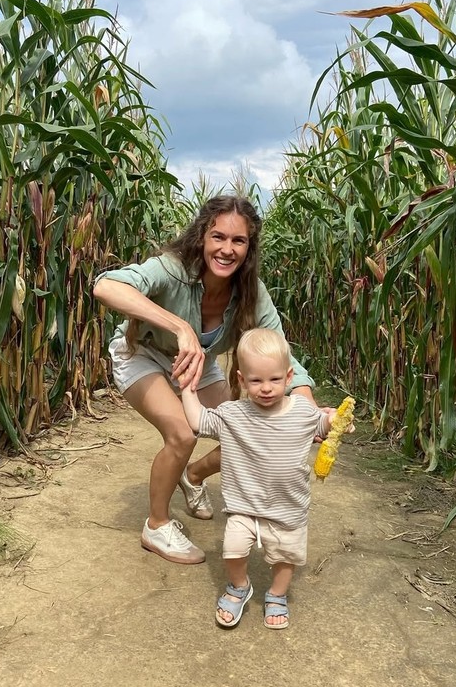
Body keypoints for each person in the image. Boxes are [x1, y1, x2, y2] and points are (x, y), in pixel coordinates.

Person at [92, 195, 319, 565]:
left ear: (249, 247)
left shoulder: (251, 293)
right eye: (218, 237)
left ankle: (193, 476)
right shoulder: (171, 268)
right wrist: (179, 325)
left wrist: (307, 408)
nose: (227, 249)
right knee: (183, 433)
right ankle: (157, 525)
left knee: (252, 427)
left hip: (199, 363)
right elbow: (106, 286)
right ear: (202, 236)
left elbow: (283, 352)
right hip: (143, 353)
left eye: (238, 241)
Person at [181, 327, 335, 629]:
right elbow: (199, 421)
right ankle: (239, 586)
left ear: (289, 378)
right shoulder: (233, 414)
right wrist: (187, 387)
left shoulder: (303, 411)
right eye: (256, 380)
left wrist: (336, 421)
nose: (266, 388)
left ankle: (277, 595)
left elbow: (324, 425)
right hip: (244, 505)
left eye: (275, 380)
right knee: (233, 550)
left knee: (285, 557)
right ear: (241, 380)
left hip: (287, 507)